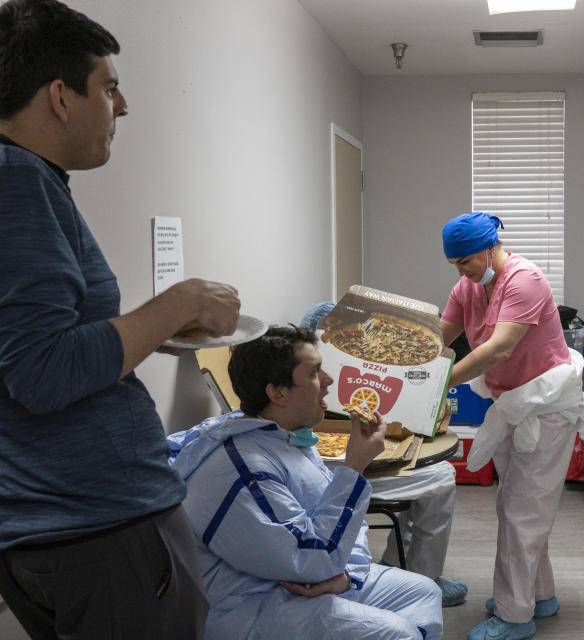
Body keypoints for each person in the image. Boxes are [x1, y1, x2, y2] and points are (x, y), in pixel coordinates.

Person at [0, 1, 241, 637]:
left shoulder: (32, 183)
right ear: (59, 96)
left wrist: (150, 331)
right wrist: (180, 302)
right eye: (109, 88)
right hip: (100, 528)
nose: (123, 106)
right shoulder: (17, 181)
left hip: (46, 519)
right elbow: (41, 370)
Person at [166, 325, 443, 640]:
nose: (328, 381)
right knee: (398, 634)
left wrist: (347, 577)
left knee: (422, 592)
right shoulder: (244, 469)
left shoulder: (287, 437)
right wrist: (354, 466)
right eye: (314, 373)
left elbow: (344, 530)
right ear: (278, 393)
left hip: (300, 576)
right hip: (248, 604)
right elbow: (313, 557)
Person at [438, 212, 584, 640]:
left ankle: (515, 616)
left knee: (522, 512)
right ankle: (539, 596)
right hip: (512, 403)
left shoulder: (526, 280)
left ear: (489, 246)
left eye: (466, 261)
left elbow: (500, 349)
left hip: (545, 407)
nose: (462, 271)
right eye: (454, 264)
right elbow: (439, 334)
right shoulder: (467, 286)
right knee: (522, 507)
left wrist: (442, 381)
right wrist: (405, 363)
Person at [300, 301, 468, 607]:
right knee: (441, 478)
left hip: (347, 460)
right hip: (332, 470)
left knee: (431, 473)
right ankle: (424, 578)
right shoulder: (311, 376)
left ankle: (399, 566)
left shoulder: (332, 366)